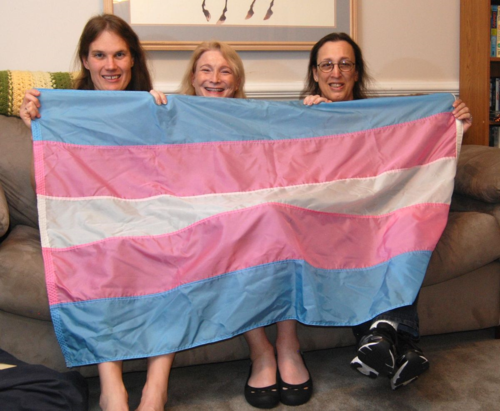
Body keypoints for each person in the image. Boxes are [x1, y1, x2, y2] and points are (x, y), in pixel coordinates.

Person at [302, 32, 472, 390]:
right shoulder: (303, 116)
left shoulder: (384, 121)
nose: (336, 72)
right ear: (315, 73)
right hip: (331, 220)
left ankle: (381, 337)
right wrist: (309, 122)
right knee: (365, 238)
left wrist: (454, 127)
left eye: (345, 64)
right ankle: (402, 342)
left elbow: (420, 169)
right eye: (327, 65)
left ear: (357, 72)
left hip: (381, 217)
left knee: (407, 227)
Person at [20, 14, 171, 411]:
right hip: (89, 220)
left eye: (120, 54)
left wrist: (166, 116)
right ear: (85, 60)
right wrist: (34, 111)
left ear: (133, 59)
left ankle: (157, 386)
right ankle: (112, 387)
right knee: (102, 255)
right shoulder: (64, 108)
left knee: (172, 254)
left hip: (148, 215)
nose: (111, 65)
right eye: (99, 55)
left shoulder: (152, 103)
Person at [180, 40, 313, 409]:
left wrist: (315, 112)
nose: (214, 78)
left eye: (225, 71)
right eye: (206, 70)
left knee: (276, 215)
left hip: (255, 208)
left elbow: (288, 158)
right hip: (203, 214)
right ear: (192, 78)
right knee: (234, 225)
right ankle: (260, 350)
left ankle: (288, 344)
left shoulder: (256, 117)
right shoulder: (173, 114)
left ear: (236, 81)